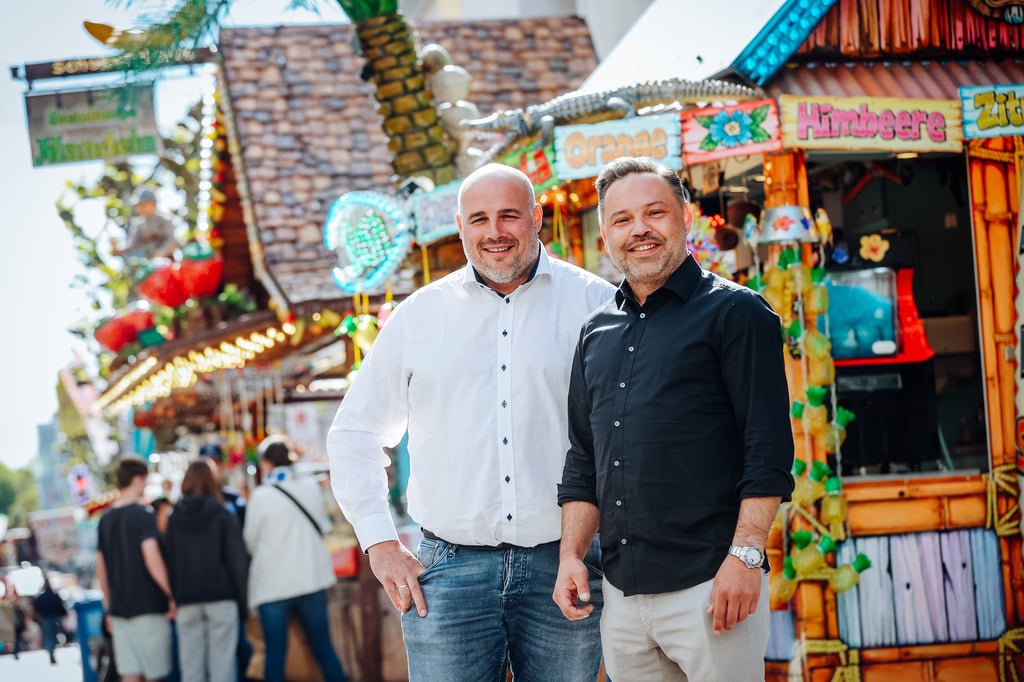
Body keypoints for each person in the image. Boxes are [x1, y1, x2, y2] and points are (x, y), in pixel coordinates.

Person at [326, 163, 615, 681]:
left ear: (536, 217)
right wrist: (380, 543)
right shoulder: (419, 316)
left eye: (509, 215)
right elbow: (355, 434)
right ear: (460, 227)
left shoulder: (595, 304)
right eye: (479, 219)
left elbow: (624, 436)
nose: (494, 232)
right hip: (448, 570)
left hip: (566, 563)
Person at [554, 156, 795, 681]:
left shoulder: (738, 313)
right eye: (621, 219)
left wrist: (746, 557)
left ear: (684, 216)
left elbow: (768, 451)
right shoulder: (595, 332)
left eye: (654, 212)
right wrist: (571, 555)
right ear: (605, 234)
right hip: (621, 595)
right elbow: (583, 458)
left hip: (711, 586)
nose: (639, 229)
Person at [244, 435, 347, 682]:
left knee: (276, 656)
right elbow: (324, 525)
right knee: (324, 649)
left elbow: (249, 540)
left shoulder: (261, 496)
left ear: (267, 463)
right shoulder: (309, 487)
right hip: (311, 579)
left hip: (274, 587)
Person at [165, 459, 249, 682]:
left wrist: (173, 596)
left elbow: (169, 561)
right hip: (222, 598)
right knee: (222, 665)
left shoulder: (174, 518)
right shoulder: (222, 514)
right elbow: (237, 561)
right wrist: (243, 602)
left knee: (191, 668)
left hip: (186, 601)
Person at [96, 456, 175, 682]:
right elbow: (152, 559)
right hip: (149, 607)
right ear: (139, 478)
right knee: (155, 674)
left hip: (120, 611)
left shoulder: (106, 519)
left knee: (129, 675)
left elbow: (100, 566)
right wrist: (170, 594)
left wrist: (109, 605)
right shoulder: (143, 515)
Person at [113, 189, 179, 262]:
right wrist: (118, 250)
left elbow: (171, 242)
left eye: (143, 204)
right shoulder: (138, 224)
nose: (139, 208)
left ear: (152, 204)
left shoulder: (165, 220)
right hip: (149, 263)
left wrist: (160, 253)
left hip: (167, 262)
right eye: (139, 205)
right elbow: (131, 246)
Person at [34, 573, 68, 664]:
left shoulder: (41, 597)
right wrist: (64, 614)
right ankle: (60, 643)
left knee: (49, 636)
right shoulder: (54, 595)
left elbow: (37, 608)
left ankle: (51, 652)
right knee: (58, 632)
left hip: (46, 619)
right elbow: (60, 605)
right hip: (56, 617)